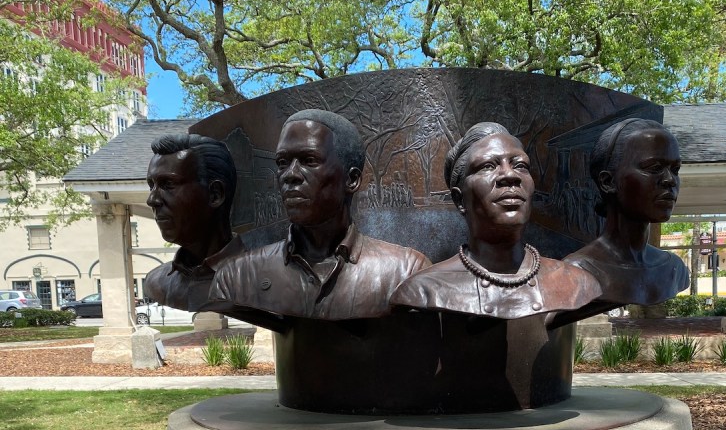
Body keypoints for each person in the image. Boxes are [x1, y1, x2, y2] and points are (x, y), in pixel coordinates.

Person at [210, 110, 430, 320]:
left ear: (351, 180)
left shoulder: (406, 273)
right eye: (282, 163)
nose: (290, 175)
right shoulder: (236, 277)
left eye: (309, 161)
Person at [390, 122, 601, 319]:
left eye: (520, 165)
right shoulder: (423, 291)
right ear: (459, 199)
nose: (510, 175)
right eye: (488, 166)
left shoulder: (577, 283)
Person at [563, 118, 689, 309]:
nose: (670, 180)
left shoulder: (674, 269)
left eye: (675, 169)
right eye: (654, 168)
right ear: (608, 182)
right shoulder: (575, 274)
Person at [143, 134, 245, 311]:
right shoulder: (157, 282)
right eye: (151, 186)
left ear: (215, 194)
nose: (152, 200)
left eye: (168, 185)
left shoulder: (262, 278)